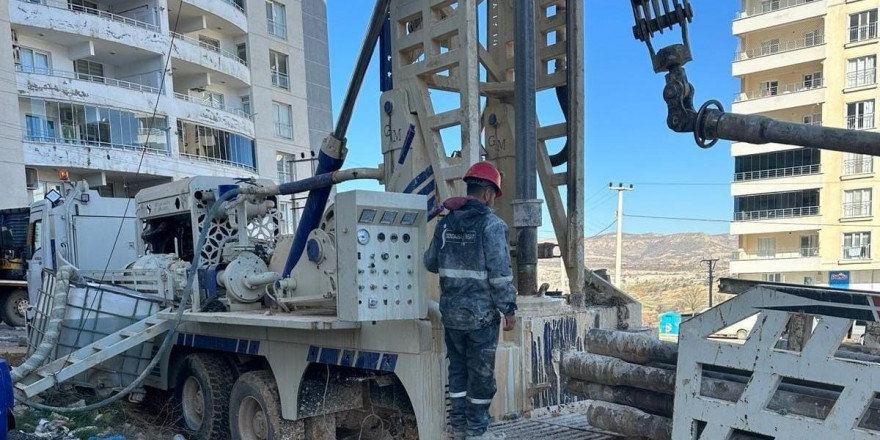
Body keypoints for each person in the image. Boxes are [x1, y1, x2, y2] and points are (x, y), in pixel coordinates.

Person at [424, 161, 517, 440]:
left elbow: (430, 262)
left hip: (451, 315)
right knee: (481, 376)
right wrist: (509, 309)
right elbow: (500, 276)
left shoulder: (446, 223)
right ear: (488, 193)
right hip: (481, 318)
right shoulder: (492, 225)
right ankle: (477, 432)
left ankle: (460, 428)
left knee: (458, 372)